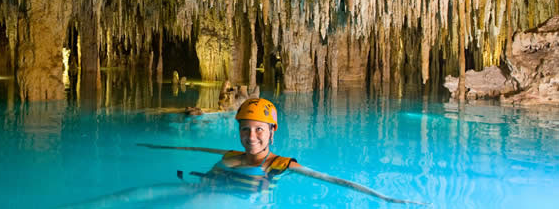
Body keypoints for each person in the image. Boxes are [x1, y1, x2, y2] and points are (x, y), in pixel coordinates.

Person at [59, 98, 425, 207]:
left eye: (258, 131)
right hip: (202, 190)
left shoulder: (281, 164)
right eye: (246, 130)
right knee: (138, 194)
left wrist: (386, 197)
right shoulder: (230, 153)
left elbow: (331, 180)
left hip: (239, 203)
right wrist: (158, 145)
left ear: (271, 133)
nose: (251, 137)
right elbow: (197, 146)